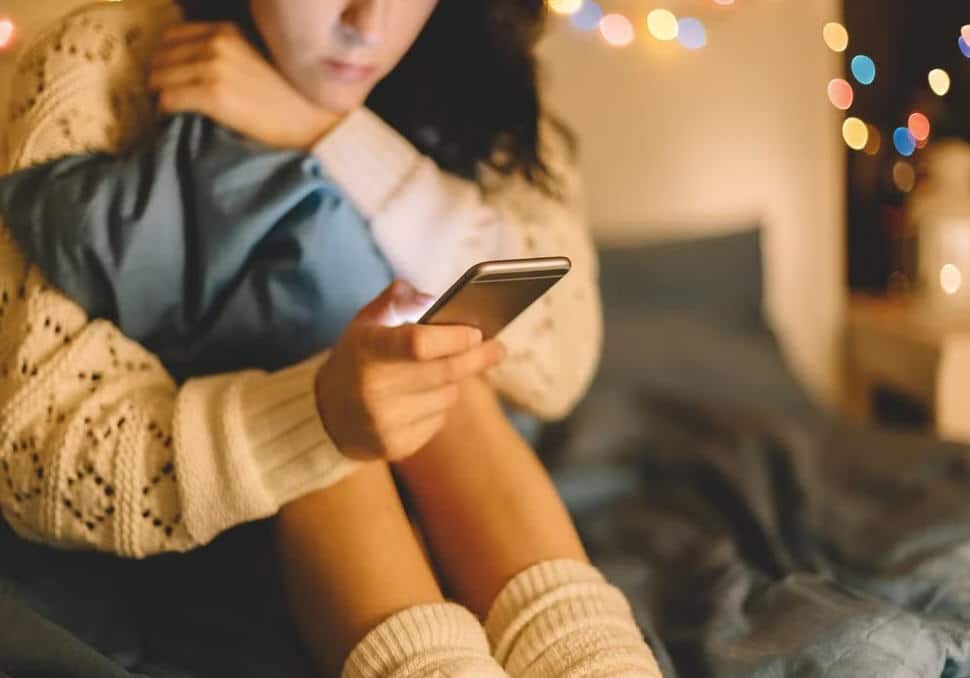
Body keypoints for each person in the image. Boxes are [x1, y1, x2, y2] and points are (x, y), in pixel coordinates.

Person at [0, 1, 663, 676]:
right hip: (226, 504)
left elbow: (559, 364)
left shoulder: (482, 57)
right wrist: (315, 413)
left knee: (440, 363)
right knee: (345, 381)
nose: (367, 25)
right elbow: (33, 456)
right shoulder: (101, 59)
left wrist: (328, 132)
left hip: (456, 466)